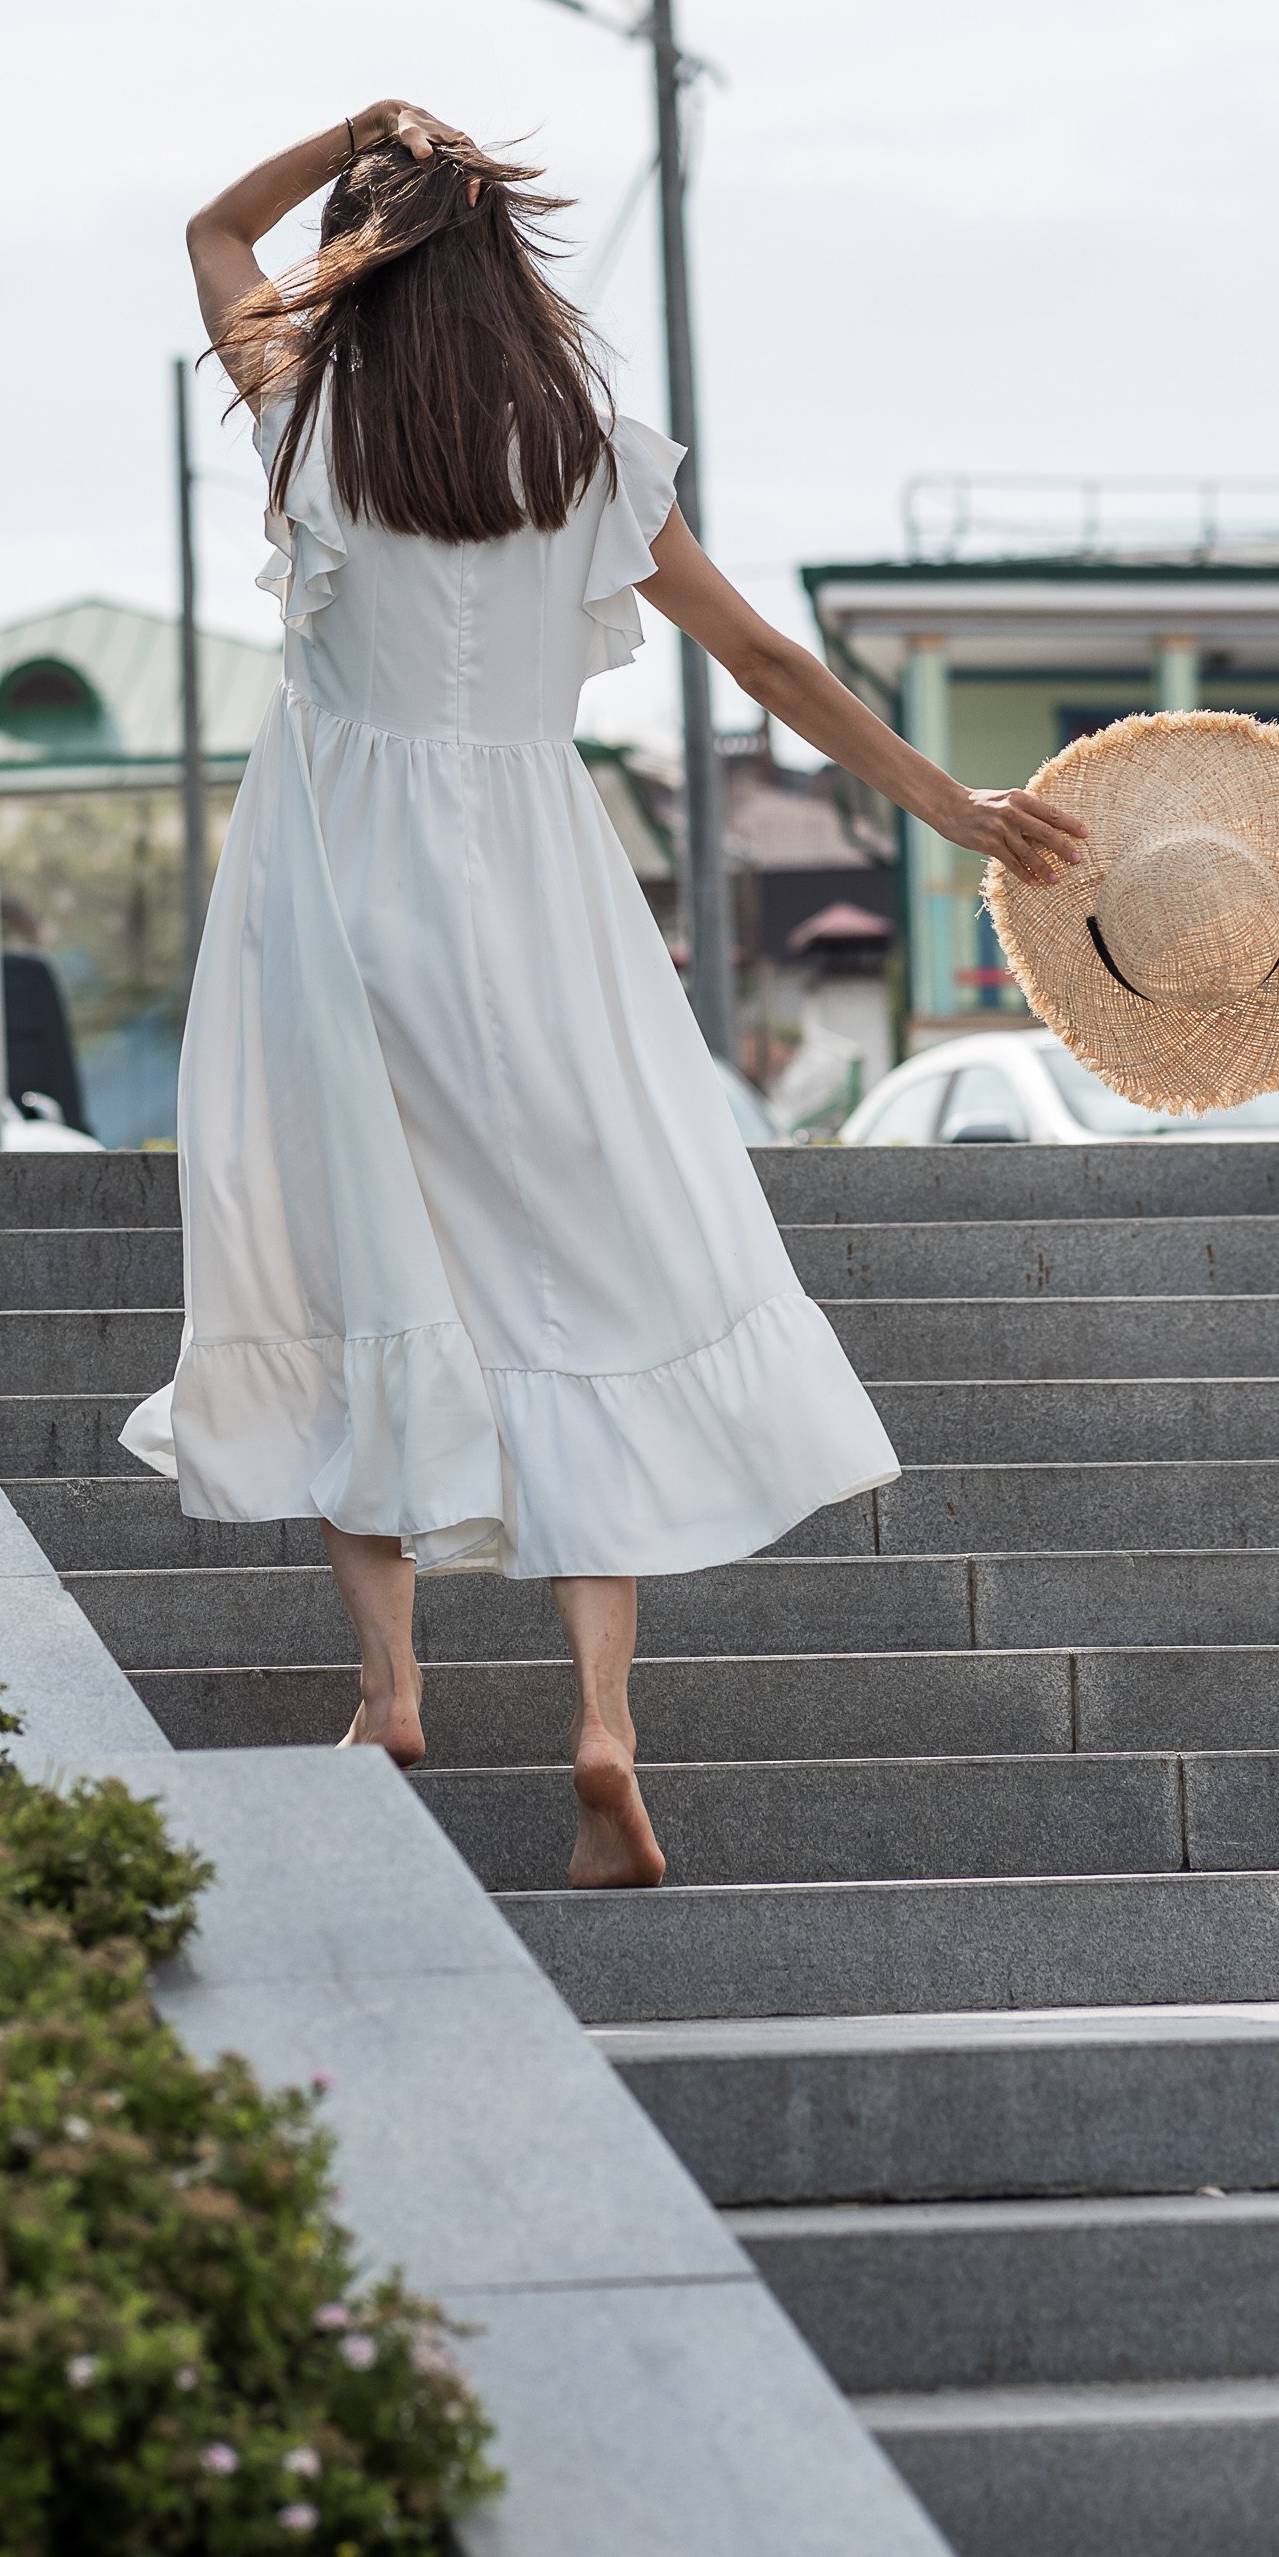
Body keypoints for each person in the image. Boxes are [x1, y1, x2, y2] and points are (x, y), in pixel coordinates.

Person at [121, 99, 1088, 1889]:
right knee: (579, 1269)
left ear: (357, 262)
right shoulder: (579, 452)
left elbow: (207, 232)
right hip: (535, 893)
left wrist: (355, 126)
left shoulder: (303, 408)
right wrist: (946, 803)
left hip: (331, 886)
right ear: (504, 267)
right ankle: (599, 1730)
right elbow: (764, 658)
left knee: (344, 1266)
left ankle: (393, 1694)